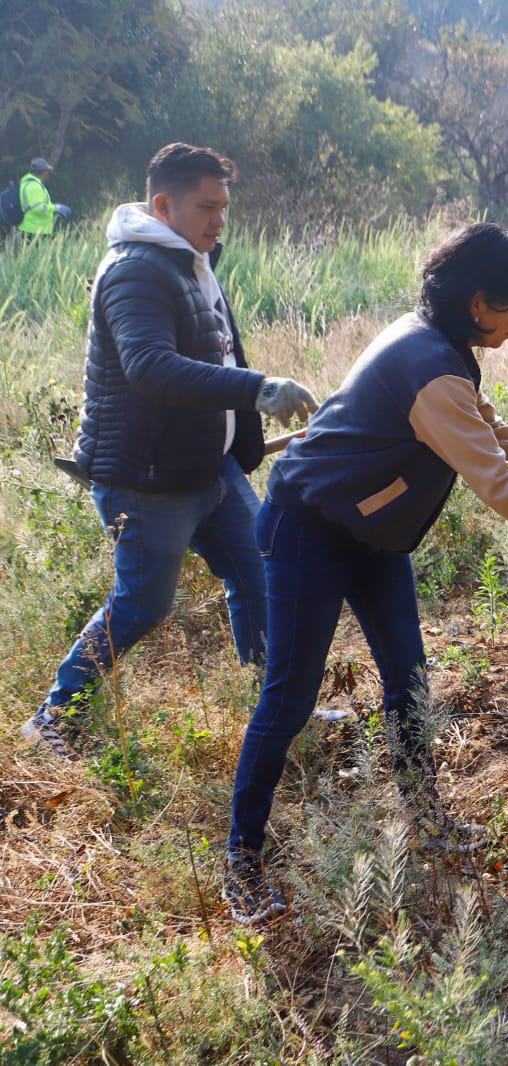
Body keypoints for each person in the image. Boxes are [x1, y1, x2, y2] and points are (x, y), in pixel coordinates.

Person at [222, 223, 508, 924]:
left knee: (409, 680)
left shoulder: (444, 349)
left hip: (371, 536)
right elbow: (500, 486)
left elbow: (494, 433)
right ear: (477, 303)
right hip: (309, 529)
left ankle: (425, 823)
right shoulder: (431, 368)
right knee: (289, 696)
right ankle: (240, 860)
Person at [22, 143, 318, 761]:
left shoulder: (191, 263)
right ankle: (52, 715)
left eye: (224, 207)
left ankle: (279, 712)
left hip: (210, 468)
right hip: (149, 479)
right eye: (207, 207)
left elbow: (218, 355)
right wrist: (260, 390)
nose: (219, 220)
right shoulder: (136, 270)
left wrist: (245, 442)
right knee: (141, 607)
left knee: (259, 580)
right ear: (163, 205)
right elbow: (152, 369)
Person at [18, 157, 68, 236]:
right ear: (43, 172)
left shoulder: (27, 183)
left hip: (32, 227)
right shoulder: (34, 186)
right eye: (47, 171)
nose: (47, 173)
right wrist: (55, 208)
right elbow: (37, 208)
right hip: (35, 229)